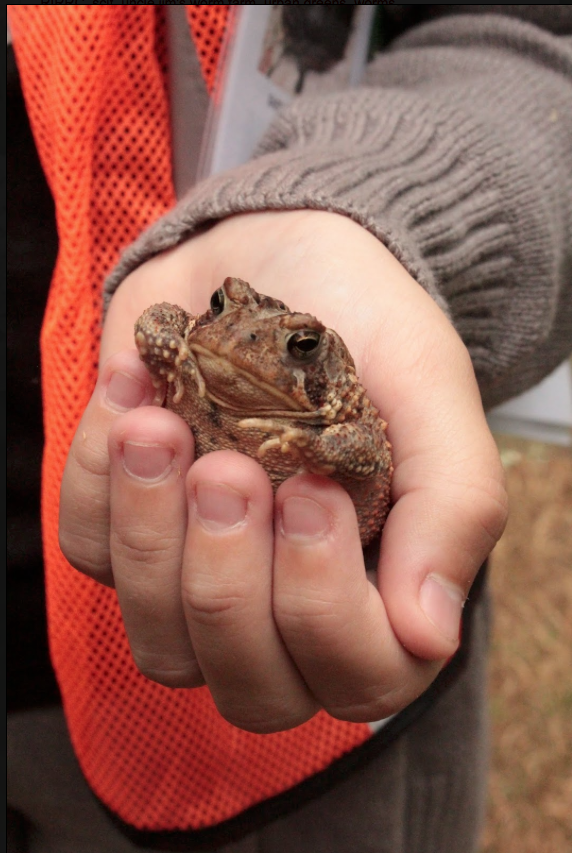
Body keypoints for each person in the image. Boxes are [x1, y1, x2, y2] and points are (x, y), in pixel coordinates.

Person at [8, 6, 572, 853]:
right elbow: (165, 323)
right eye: (228, 312)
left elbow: (361, 451)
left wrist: (366, 211)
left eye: (295, 344)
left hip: (296, 712)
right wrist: (180, 338)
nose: (237, 334)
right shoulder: (208, 353)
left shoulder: (335, 413)